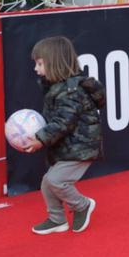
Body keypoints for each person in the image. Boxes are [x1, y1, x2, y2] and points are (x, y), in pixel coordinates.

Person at [24, 35, 105, 235]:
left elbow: (63, 122)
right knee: (47, 182)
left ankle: (82, 205)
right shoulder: (56, 87)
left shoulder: (71, 91)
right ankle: (57, 219)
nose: (36, 69)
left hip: (82, 146)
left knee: (55, 180)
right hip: (68, 146)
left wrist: (40, 139)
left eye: (40, 63)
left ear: (54, 62)